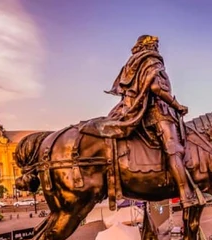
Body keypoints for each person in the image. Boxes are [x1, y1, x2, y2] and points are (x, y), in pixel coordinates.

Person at [82, 35, 199, 208]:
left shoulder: (131, 64)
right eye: (155, 44)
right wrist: (177, 105)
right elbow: (156, 88)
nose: (157, 47)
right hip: (158, 112)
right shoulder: (152, 60)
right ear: (149, 45)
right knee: (173, 149)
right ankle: (186, 194)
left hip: (133, 110)